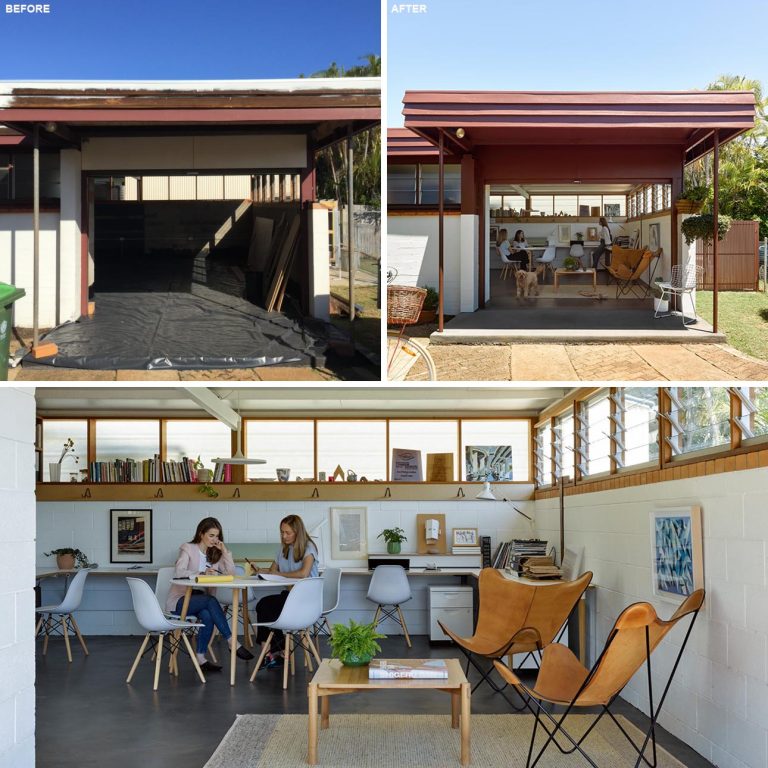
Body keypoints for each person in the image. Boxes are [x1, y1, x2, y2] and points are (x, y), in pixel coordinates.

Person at [166, 517, 254, 672]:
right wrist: (202, 572)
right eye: (211, 535)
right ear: (201, 534)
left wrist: (225, 552)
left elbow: (231, 574)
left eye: (217, 536)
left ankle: (200, 658)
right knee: (210, 600)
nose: (214, 540)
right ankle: (232, 641)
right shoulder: (188, 548)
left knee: (207, 614)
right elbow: (179, 572)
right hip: (180, 601)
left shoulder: (215, 555)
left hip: (200, 601)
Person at [252, 514, 319, 667]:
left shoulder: (309, 548)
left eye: (288, 532)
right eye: (282, 532)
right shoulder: (282, 549)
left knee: (267, 607)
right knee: (263, 605)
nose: (284, 536)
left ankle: (273, 652)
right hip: (291, 596)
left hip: (307, 599)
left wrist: (278, 574)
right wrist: (260, 571)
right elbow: (272, 570)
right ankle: (272, 651)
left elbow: (303, 573)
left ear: (298, 532)